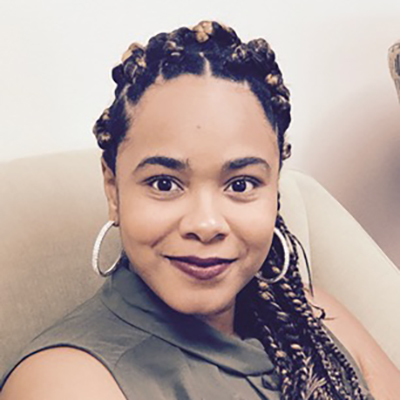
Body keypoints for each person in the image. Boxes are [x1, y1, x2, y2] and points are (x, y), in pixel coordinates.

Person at [1, 20, 399, 400]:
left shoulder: (312, 316)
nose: (206, 224)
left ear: (275, 188)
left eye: (241, 184)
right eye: (164, 184)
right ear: (114, 190)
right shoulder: (65, 382)